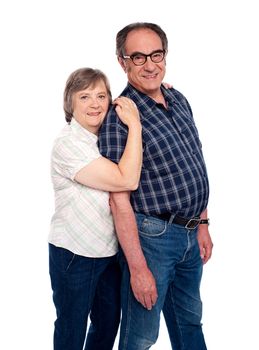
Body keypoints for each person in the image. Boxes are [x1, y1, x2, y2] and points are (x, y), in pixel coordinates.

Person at [98, 22, 213, 350]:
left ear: (165, 55)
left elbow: (194, 161)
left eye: (156, 54)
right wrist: (137, 268)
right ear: (122, 61)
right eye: (138, 57)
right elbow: (118, 201)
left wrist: (202, 223)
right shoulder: (119, 117)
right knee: (141, 337)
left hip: (191, 236)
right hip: (152, 241)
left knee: (190, 322)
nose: (150, 64)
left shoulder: (178, 98)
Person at [48, 67, 142, 350]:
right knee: (71, 329)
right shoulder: (68, 145)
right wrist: (136, 126)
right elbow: (127, 179)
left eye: (101, 96)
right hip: (75, 253)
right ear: (70, 103)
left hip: (110, 251)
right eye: (85, 97)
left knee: (107, 323)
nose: (95, 104)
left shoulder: (110, 135)